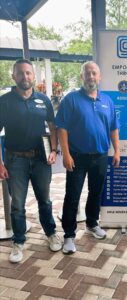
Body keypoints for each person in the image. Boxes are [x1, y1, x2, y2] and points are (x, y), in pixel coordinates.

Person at [0, 59, 62, 263]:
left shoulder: (43, 100)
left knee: (44, 200)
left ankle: (51, 233)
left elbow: (52, 127)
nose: (24, 77)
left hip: (41, 159)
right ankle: (18, 242)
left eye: (28, 73)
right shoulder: (5, 101)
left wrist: (54, 149)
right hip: (15, 160)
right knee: (17, 204)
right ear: (13, 76)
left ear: (34, 76)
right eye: (20, 73)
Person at [56, 61, 120, 254]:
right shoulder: (71, 99)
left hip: (100, 156)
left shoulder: (107, 101)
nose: (91, 77)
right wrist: (66, 154)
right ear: (82, 76)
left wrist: (117, 151)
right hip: (77, 157)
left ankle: (92, 223)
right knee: (72, 195)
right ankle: (68, 235)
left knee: (95, 192)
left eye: (94, 73)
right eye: (87, 73)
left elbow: (113, 128)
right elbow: (62, 128)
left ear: (99, 77)